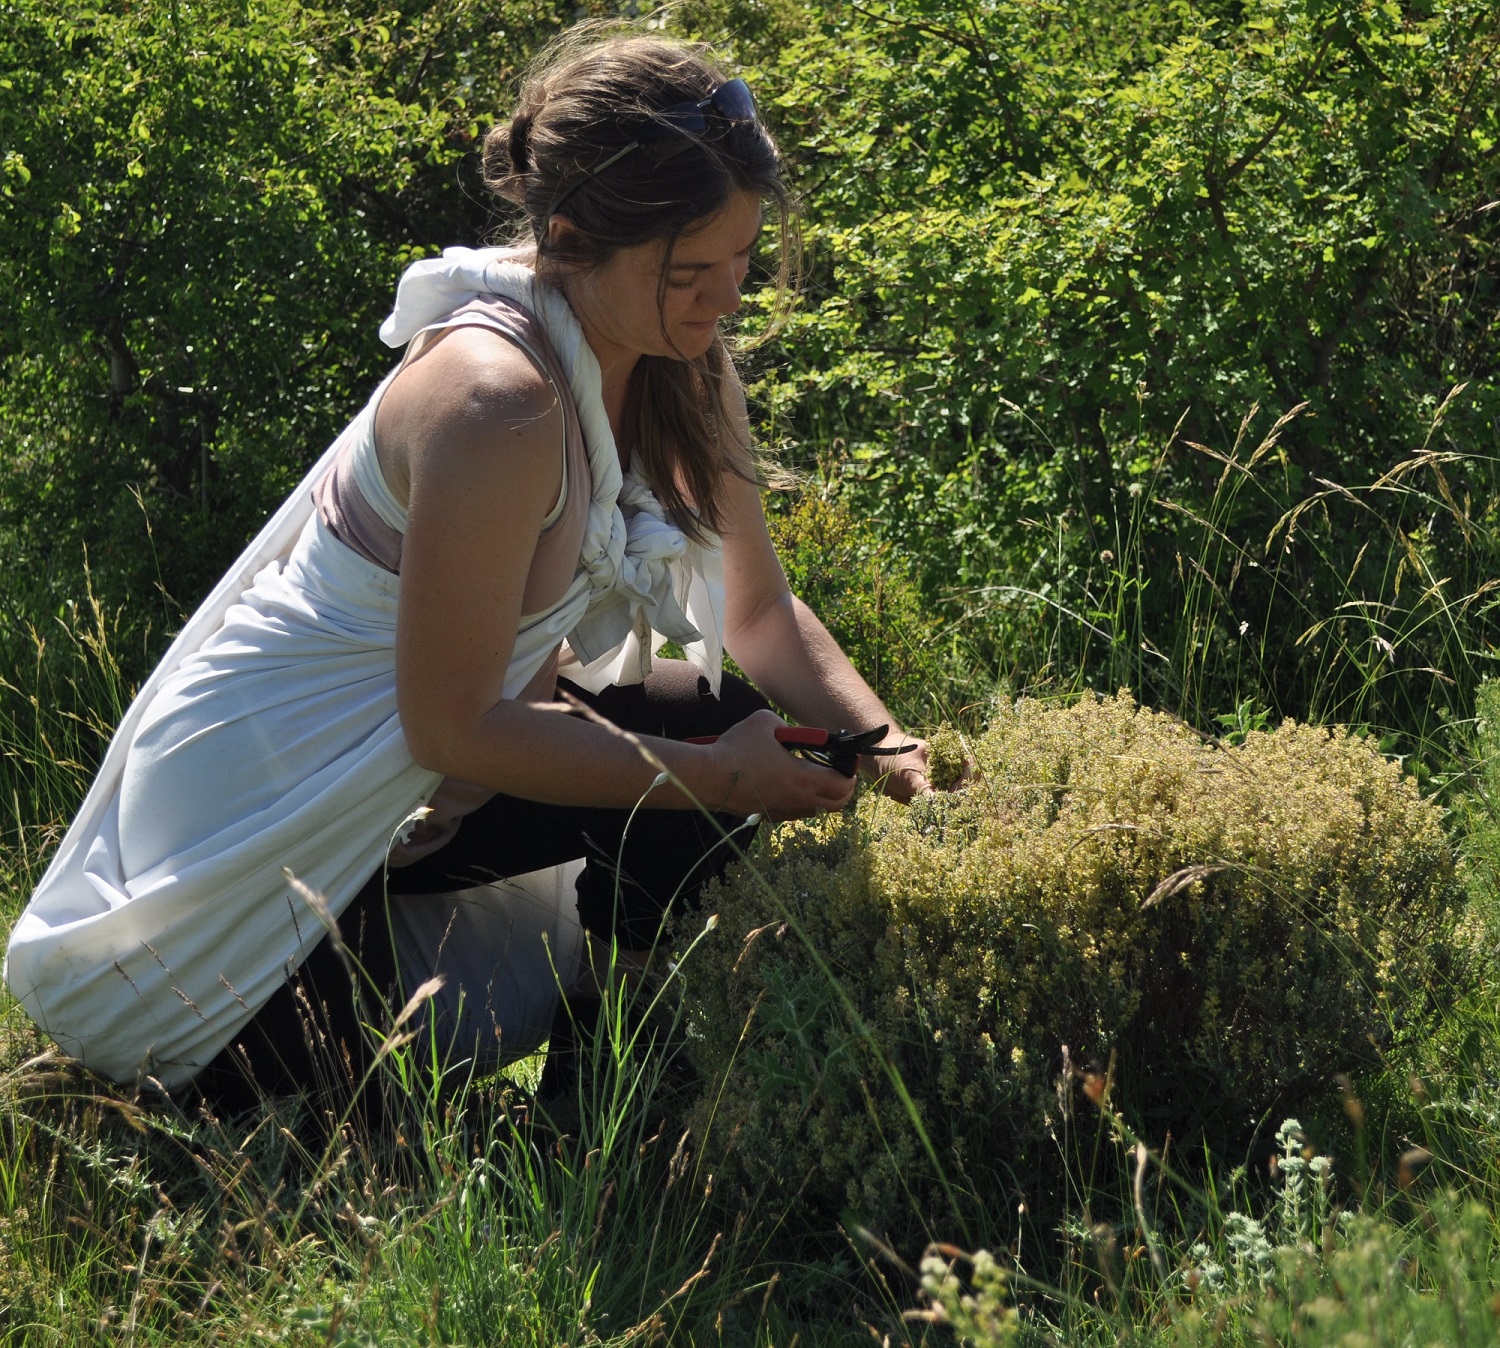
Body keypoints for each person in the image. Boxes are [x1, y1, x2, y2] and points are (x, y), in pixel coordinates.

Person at [3, 27, 939, 1120]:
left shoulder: (684, 369)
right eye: (693, 271)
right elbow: (447, 726)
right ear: (575, 236)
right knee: (313, 1133)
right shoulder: (499, 400)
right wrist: (720, 774)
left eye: (741, 259)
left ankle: (607, 1125)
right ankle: (299, 1075)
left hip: (412, 796)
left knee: (705, 714)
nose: (728, 297)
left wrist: (889, 746)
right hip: (262, 823)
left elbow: (758, 611)